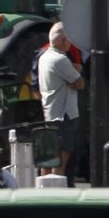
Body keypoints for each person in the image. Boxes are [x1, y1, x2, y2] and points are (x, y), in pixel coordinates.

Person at [37, 22, 85, 175]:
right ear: (63, 40)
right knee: (61, 160)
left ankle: (43, 192)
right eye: (69, 39)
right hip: (63, 115)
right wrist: (73, 80)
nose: (71, 43)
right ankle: (57, 192)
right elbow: (80, 83)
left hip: (49, 112)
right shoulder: (60, 60)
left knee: (47, 159)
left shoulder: (44, 57)